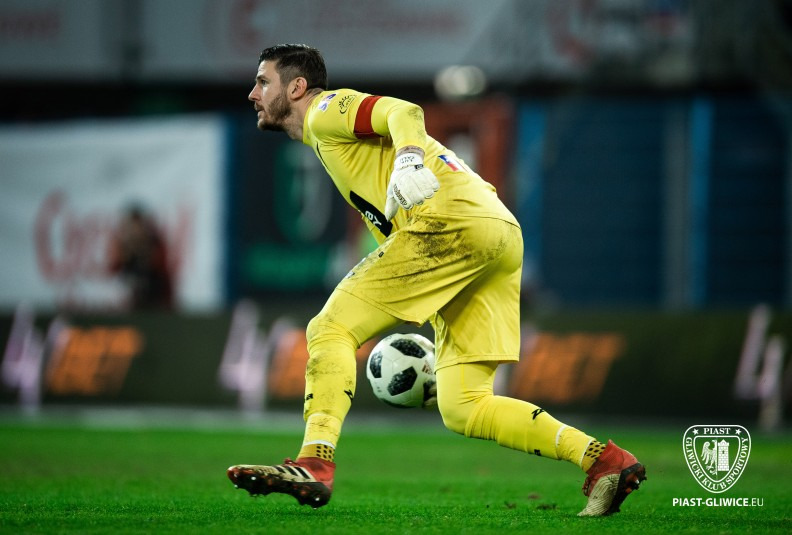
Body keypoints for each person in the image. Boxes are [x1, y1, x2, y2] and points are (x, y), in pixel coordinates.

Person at [227, 44, 646, 516]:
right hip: (497, 231)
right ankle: (605, 461)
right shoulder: (330, 143)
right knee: (465, 405)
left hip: (449, 224)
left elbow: (403, 111)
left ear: (297, 87)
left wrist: (408, 158)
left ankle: (315, 462)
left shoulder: (324, 110)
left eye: (263, 82)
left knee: (329, 328)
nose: (253, 93)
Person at [108, 205, 173, 310]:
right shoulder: (123, 244)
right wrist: (126, 253)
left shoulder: (154, 242)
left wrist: (143, 252)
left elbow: (160, 267)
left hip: (155, 298)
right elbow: (113, 270)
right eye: (131, 225)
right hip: (129, 300)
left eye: (137, 225)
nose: (135, 229)